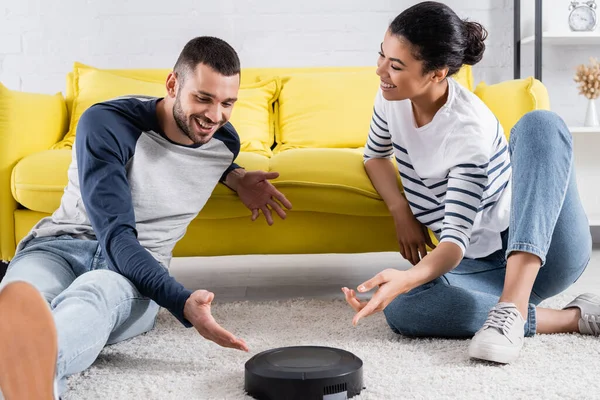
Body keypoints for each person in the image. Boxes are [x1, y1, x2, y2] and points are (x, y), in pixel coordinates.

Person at [0, 36, 292, 399]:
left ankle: (30, 374)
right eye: (203, 98)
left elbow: (194, 154)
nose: (215, 116)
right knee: (22, 298)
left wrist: (234, 176)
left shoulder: (223, 142)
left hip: (133, 278)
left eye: (227, 103)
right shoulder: (106, 123)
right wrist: (182, 301)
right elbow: (117, 235)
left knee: (92, 297)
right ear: (172, 84)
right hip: (59, 248)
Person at [342, 1, 599, 365]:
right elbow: (375, 156)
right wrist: (401, 210)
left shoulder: (469, 131)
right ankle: (568, 317)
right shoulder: (390, 98)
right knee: (401, 308)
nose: (381, 70)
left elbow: (453, 242)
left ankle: (510, 308)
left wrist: (411, 274)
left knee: (540, 124)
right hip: (481, 267)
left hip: (544, 250)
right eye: (382, 55)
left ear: (437, 72)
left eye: (396, 65)